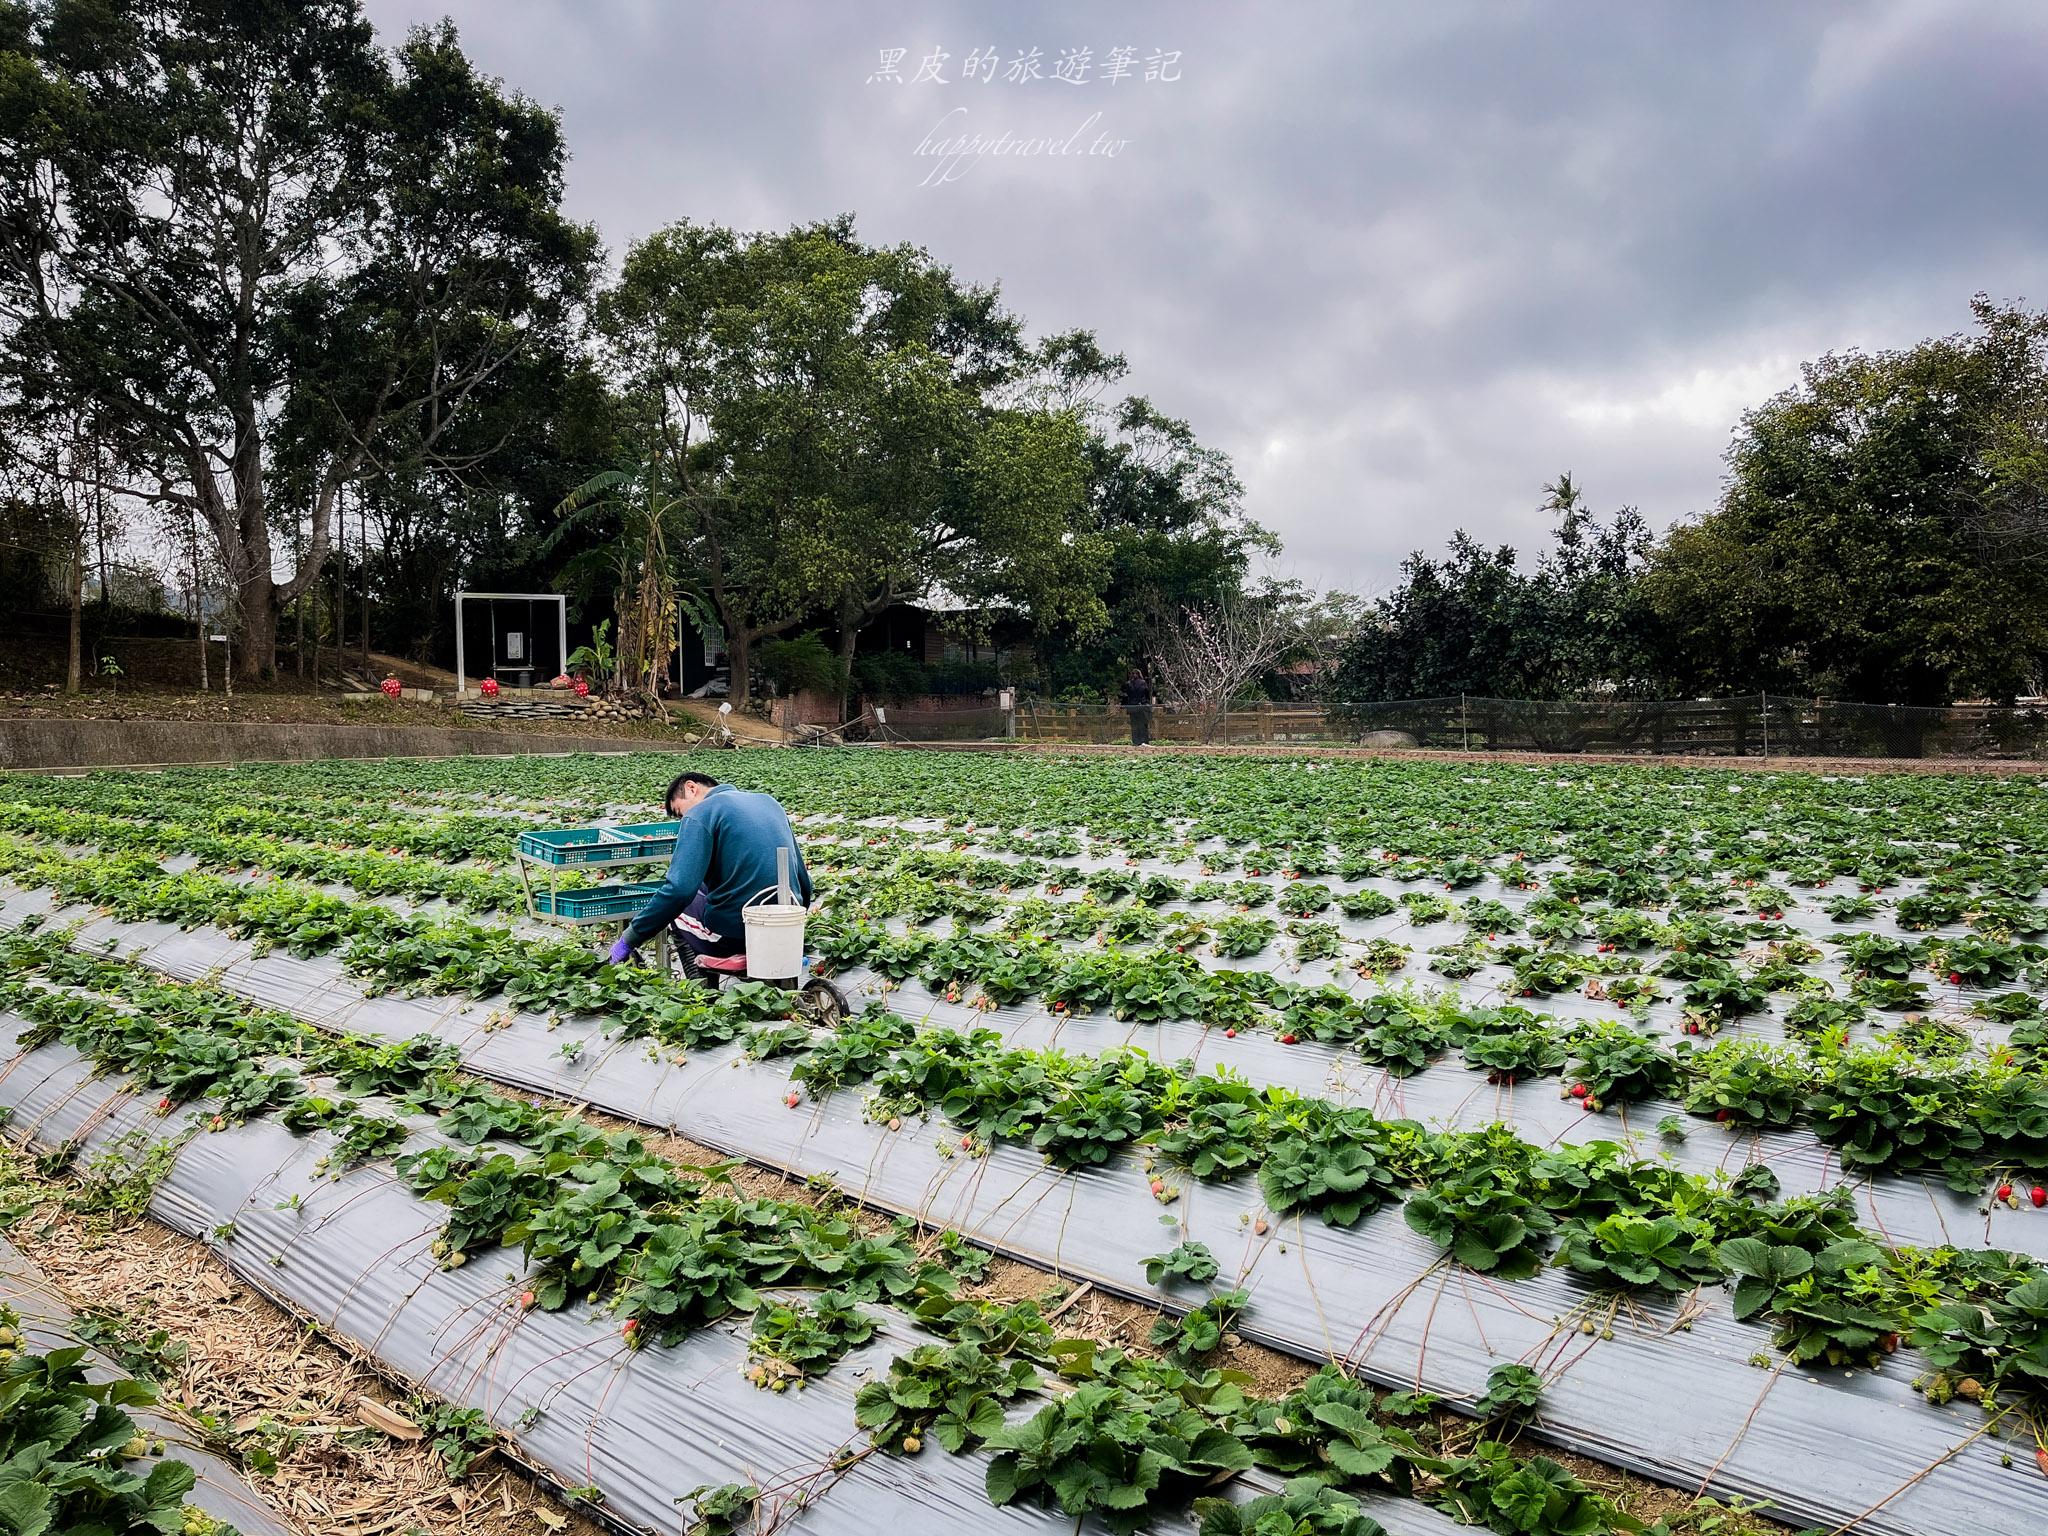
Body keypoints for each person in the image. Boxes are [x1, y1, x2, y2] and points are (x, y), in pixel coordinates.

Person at [606, 772, 813, 969]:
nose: (683, 818)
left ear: (691, 788)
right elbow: (804, 881)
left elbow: (678, 891)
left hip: (737, 936)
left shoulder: (701, 813)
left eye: (680, 812)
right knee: (702, 890)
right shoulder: (769, 803)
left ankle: (703, 987)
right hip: (786, 930)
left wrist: (629, 938)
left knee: (676, 911)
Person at [1120, 668, 1154, 746]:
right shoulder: (1143, 683)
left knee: (1134, 725)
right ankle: (1144, 741)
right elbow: (1146, 693)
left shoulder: (1128, 684)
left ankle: (1136, 741)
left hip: (1132, 706)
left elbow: (1125, 694)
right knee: (1143, 724)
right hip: (1141, 705)